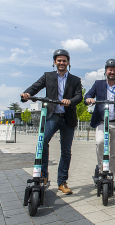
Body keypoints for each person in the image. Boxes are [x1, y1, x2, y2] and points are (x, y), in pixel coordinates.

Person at [21, 49, 82, 194]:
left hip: (68, 118)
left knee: (66, 151)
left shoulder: (75, 79)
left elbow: (79, 96)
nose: (61, 63)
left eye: (64, 60)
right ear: (55, 62)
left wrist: (70, 101)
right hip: (53, 115)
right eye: (59, 60)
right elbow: (35, 87)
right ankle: (43, 175)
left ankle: (62, 182)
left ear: (68, 63)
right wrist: (27, 94)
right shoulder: (47, 76)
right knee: (42, 143)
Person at [85, 59, 115, 189]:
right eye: (110, 69)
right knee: (100, 142)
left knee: (114, 153)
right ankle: (102, 170)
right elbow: (88, 94)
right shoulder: (98, 84)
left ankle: (110, 177)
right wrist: (89, 98)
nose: (112, 72)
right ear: (106, 71)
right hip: (101, 121)